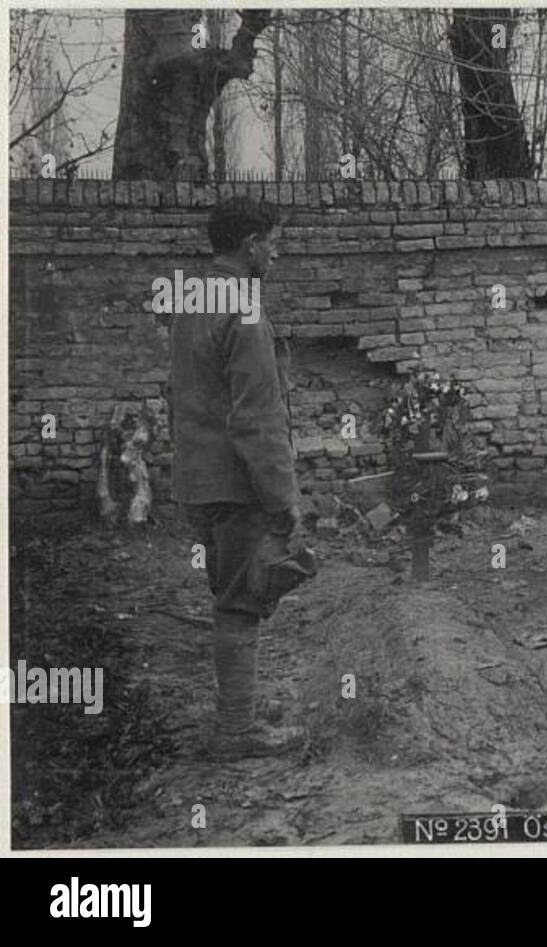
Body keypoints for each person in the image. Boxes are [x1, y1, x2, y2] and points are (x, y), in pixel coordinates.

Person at [170, 196, 312, 760]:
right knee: (242, 600)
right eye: (274, 241)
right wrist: (284, 499)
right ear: (251, 244)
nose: (277, 252)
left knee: (230, 593)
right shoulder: (245, 311)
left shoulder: (194, 298)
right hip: (237, 483)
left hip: (200, 480)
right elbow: (256, 417)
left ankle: (241, 705)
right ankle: (236, 731)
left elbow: (183, 393)